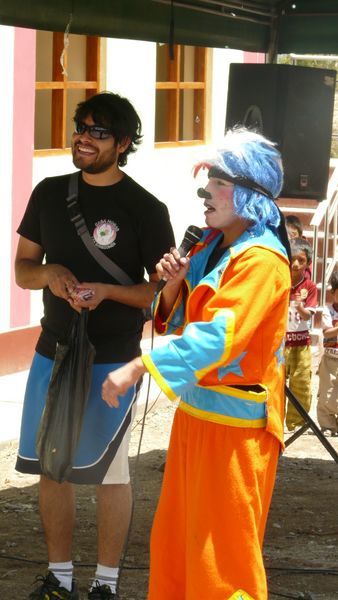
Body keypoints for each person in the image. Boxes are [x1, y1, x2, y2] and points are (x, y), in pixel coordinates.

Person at [102, 128, 291, 600]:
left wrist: (139, 366)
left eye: (218, 181)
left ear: (250, 192)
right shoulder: (209, 247)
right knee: (176, 547)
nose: (205, 190)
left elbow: (216, 340)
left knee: (222, 558)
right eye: (207, 179)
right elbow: (180, 322)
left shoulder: (263, 262)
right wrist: (171, 285)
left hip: (235, 436)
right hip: (195, 422)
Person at [14, 92, 175, 600]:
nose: (83, 137)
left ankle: (105, 585)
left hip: (114, 356)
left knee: (112, 473)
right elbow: (22, 271)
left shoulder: (147, 208)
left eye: (98, 132)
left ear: (124, 143)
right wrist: (52, 275)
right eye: (80, 127)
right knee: (50, 467)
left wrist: (108, 292)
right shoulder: (47, 193)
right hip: (52, 351)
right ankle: (59, 578)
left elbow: (160, 291)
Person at [284, 237, 317, 432]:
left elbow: (307, 316)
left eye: (301, 260)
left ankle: (296, 423)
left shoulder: (309, 287)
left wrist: (298, 304)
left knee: (301, 382)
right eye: (292, 259)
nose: (295, 264)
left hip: (301, 342)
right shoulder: (280, 282)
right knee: (278, 382)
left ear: (307, 263)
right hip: (281, 342)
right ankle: (274, 417)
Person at [316, 270, 338, 436]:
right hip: (331, 358)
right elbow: (327, 333)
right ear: (333, 293)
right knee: (326, 392)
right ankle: (327, 425)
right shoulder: (327, 311)